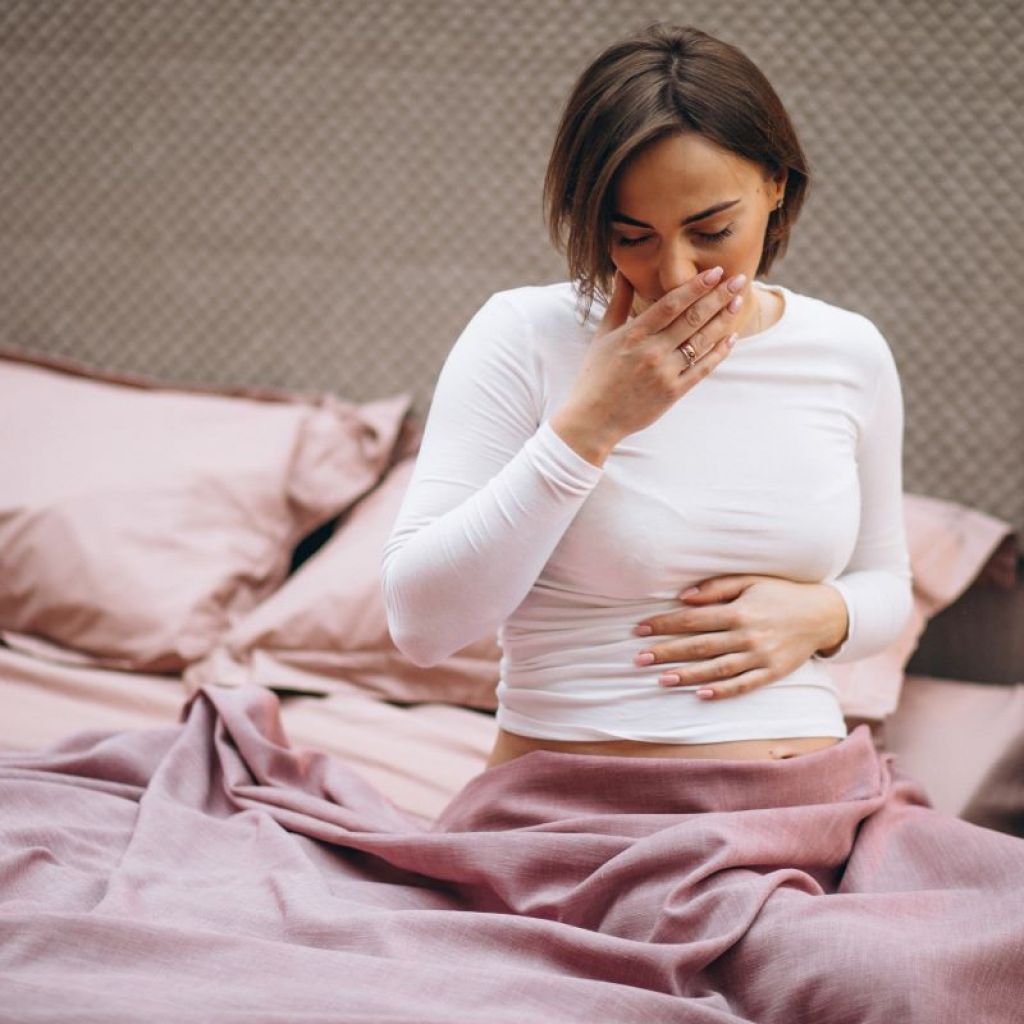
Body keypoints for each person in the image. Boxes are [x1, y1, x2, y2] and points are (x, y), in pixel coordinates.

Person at [382, 22, 913, 770]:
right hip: (568, 815)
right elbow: (421, 624)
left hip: (805, 811)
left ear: (776, 186)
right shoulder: (524, 335)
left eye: (713, 231)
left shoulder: (848, 351)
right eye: (631, 237)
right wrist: (590, 426)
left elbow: (886, 582)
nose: (675, 274)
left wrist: (828, 613)